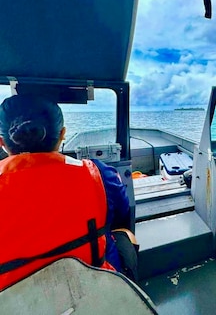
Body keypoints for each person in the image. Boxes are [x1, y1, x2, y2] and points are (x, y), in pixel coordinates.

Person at [0, 94, 138, 291]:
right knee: (124, 233)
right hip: (93, 287)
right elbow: (122, 213)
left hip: (16, 301)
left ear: (2, 143)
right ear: (62, 134)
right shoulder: (99, 173)